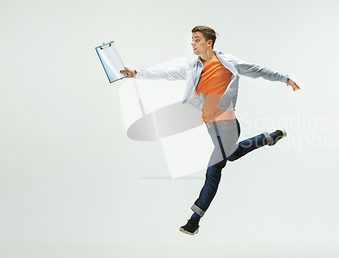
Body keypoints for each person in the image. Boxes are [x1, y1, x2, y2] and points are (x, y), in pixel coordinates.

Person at [121, 26, 300, 235]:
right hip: (210, 126)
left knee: (213, 169)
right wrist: (137, 74)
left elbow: (258, 70)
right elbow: (165, 73)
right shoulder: (192, 69)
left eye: (196, 39)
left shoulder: (228, 62)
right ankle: (268, 138)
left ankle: (194, 219)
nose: (192, 43)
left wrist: (284, 78)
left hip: (228, 126)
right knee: (231, 155)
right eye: (192, 39)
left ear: (209, 42)